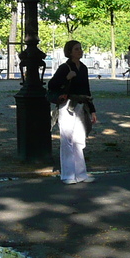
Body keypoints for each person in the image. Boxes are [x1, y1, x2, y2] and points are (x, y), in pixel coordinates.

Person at [48, 40, 98, 184]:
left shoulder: (83, 68)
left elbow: (87, 90)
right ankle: (68, 175)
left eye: (80, 49)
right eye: (76, 49)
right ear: (69, 52)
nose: (80, 51)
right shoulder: (65, 68)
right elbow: (52, 84)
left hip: (81, 105)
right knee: (67, 139)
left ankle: (81, 174)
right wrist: (66, 78)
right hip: (67, 105)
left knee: (79, 139)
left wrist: (92, 110)